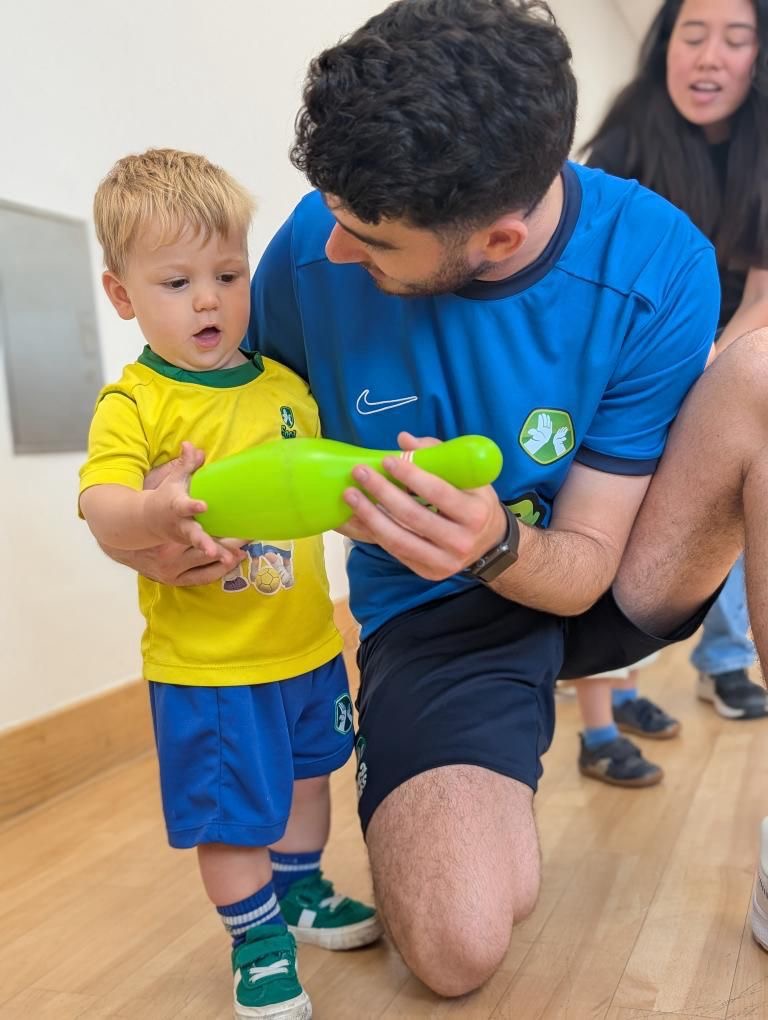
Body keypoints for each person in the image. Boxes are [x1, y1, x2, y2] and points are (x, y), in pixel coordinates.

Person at [107, 0, 768, 998]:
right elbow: (223, 428)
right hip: (435, 615)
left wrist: (495, 542)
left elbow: (586, 565)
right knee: (456, 950)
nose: (334, 250)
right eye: (332, 213)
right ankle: (474, 777)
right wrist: (160, 511)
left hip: (609, 571)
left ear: (496, 238)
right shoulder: (309, 249)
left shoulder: (658, 262)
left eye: (371, 239)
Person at [79, 148, 379, 1020]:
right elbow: (100, 504)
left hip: (306, 645)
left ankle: (300, 889)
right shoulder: (136, 402)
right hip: (210, 667)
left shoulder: (286, 388)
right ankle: (256, 940)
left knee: (310, 781)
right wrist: (154, 509)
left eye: (227, 274)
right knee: (232, 814)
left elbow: (325, 486)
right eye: (177, 283)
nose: (208, 300)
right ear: (122, 295)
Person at [573, 0, 768, 788]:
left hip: (724, 356)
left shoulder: (762, 149)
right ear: (665, 47)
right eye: (692, 35)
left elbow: (762, 300)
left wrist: (712, 370)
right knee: (595, 524)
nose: (709, 56)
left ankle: (669, 678)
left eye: (734, 39)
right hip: (631, 361)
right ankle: (599, 721)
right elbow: (595, 279)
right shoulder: (629, 132)